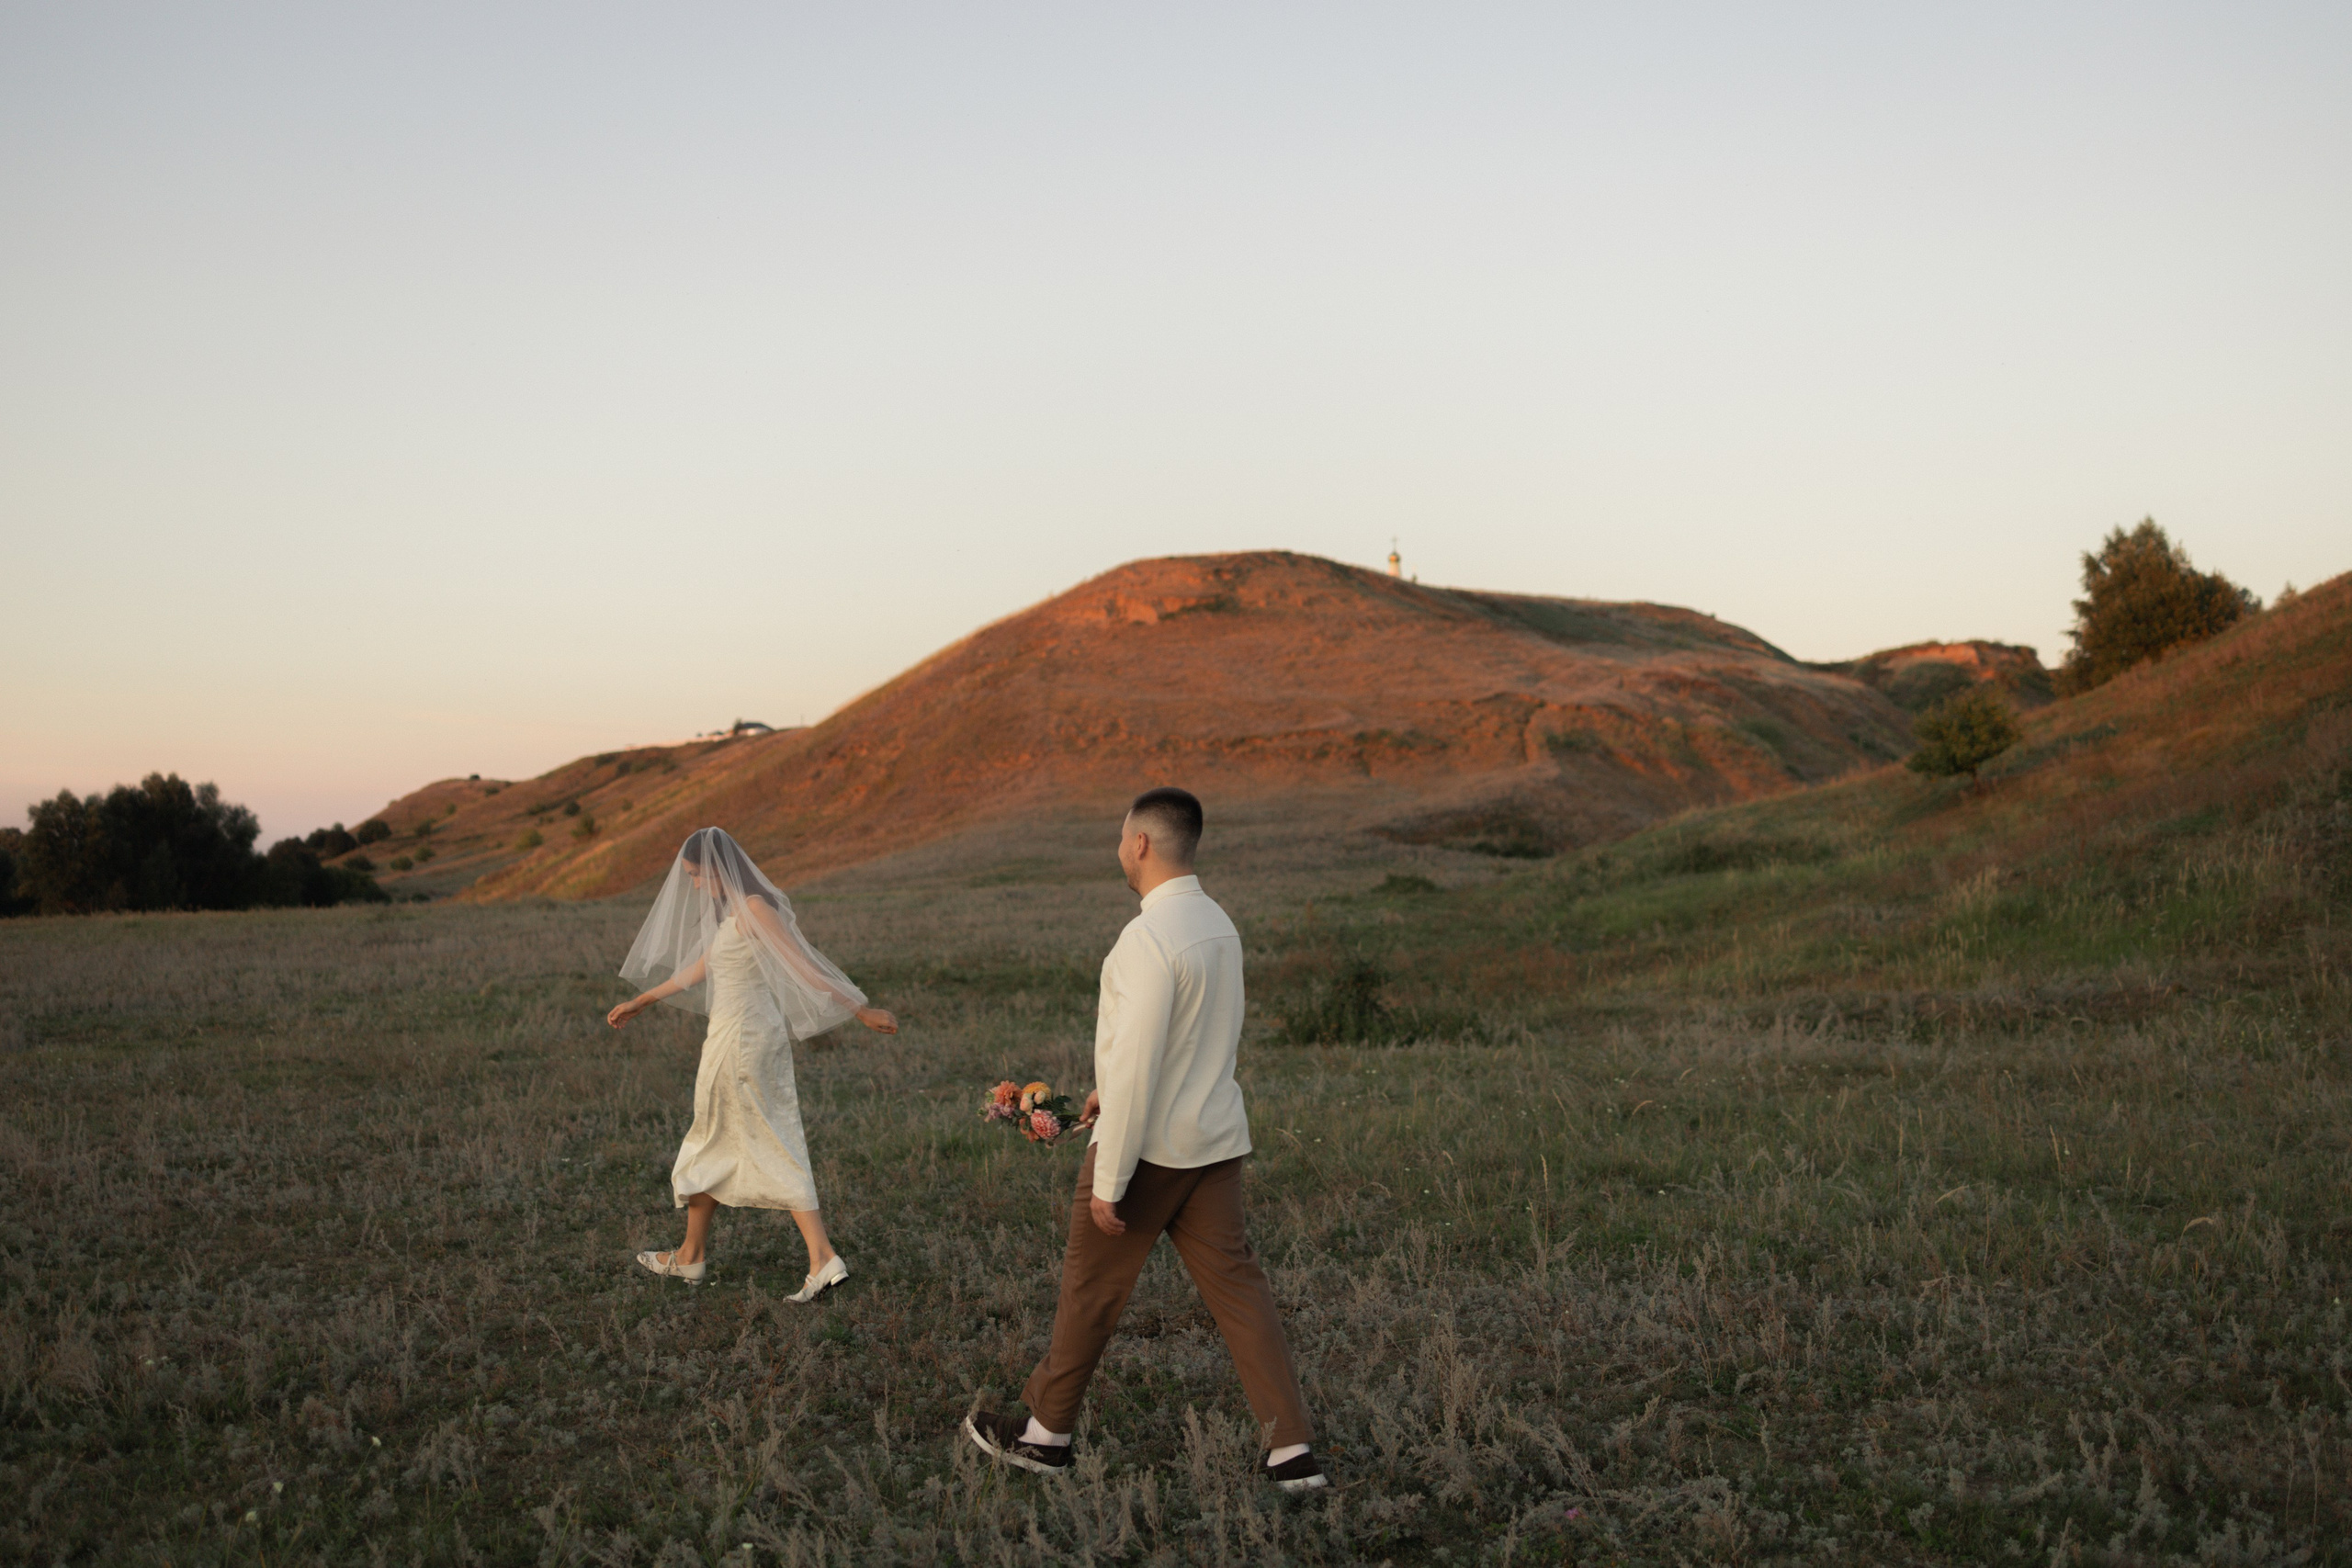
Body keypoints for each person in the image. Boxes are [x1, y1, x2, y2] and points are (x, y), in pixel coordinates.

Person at [963, 787, 1327, 1494]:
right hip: (1214, 1141)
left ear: (1141, 843)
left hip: (1150, 1149)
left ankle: (1044, 1436)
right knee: (1241, 1292)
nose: (1118, 849)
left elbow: (1137, 1063)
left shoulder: (1146, 939)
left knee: (1091, 1289)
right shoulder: (1218, 923)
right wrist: (1108, 1088)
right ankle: (1293, 1452)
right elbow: (1195, 1035)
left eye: (1120, 837)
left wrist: (1109, 1179)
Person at [606, 827, 897, 1300]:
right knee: (716, 1138)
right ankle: (693, 1254)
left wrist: (859, 1009)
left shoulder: (756, 909)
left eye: (697, 875)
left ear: (720, 870)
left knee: (754, 1139)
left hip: (743, 1042)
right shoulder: (734, 915)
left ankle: (819, 1256)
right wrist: (642, 1000)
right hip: (734, 1037)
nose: (694, 885)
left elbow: (802, 965)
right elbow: (699, 969)